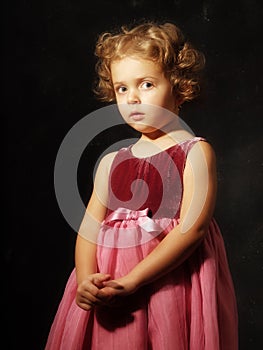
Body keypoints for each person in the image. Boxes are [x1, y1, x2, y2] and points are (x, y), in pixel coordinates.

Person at [45, 21, 238, 349]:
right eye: (122, 88)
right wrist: (86, 277)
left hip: (169, 285)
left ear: (179, 86)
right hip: (110, 286)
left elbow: (192, 229)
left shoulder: (194, 152)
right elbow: (89, 229)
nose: (132, 98)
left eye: (146, 84)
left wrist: (134, 279)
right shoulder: (111, 162)